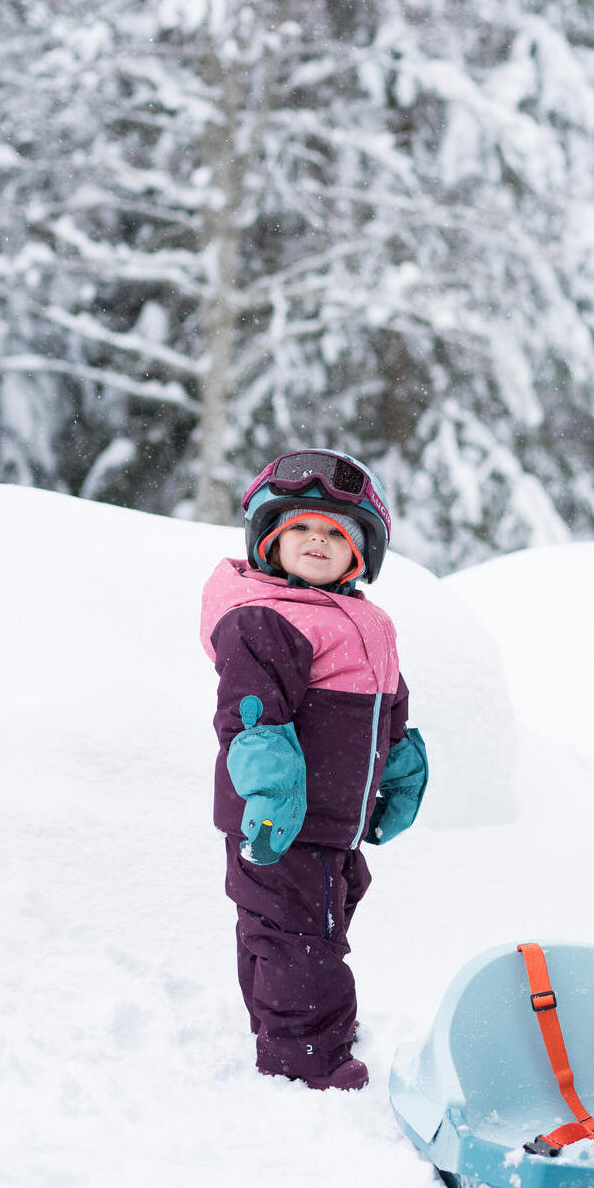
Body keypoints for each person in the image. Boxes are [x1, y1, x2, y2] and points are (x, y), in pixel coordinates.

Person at [198, 448, 429, 1090]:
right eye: (300, 526)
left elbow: (388, 705)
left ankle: (286, 1030)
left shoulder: (362, 621)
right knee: (301, 944)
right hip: (282, 822)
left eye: (334, 532)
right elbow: (253, 719)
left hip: (330, 826)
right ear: (270, 537)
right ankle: (308, 1062)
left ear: (361, 553)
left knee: (299, 930)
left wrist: (401, 764)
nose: (316, 541)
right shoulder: (265, 618)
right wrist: (269, 795)